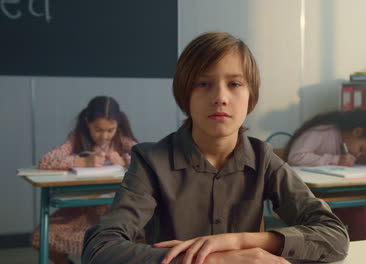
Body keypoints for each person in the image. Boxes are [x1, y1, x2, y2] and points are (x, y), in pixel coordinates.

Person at [82, 32, 349, 264]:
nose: (220, 98)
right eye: (203, 84)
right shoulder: (152, 161)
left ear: (251, 96)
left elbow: (334, 236)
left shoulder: (263, 158)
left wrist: (240, 241)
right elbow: (100, 250)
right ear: (184, 95)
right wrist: (216, 260)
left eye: (234, 84)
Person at [284, 108, 366, 241]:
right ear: (357, 131)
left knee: (362, 216)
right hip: (308, 198)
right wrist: (336, 160)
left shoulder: (354, 143)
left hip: (335, 197)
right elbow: (295, 157)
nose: (360, 155)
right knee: (325, 222)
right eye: (362, 150)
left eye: (364, 153)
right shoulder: (323, 131)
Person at [31, 96, 138, 264]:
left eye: (110, 130)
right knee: (41, 236)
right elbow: (45, 161)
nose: (104, 136)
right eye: (98, 129)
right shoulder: (77, 139)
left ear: (118, 126)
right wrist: (80, 161)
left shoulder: (121, 140)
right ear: (87, 122)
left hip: (114, 211)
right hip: (80, 212)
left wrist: (125, 160)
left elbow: (145, 160)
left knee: (137, 237)